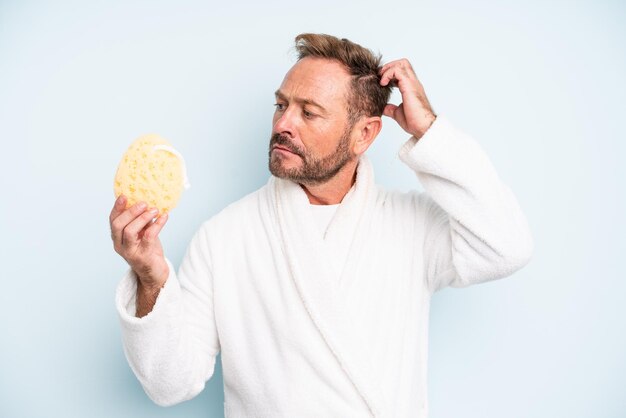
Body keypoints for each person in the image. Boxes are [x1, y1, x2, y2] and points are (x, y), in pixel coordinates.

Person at [109, 33, 533, 418]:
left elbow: (506, 246)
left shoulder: (412, 225)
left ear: (364, 135)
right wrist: (149, 276)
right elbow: (170, 384)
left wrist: (430, 132)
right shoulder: (224, 237)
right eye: (281, 105)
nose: (283, 124)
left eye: (309, 113)